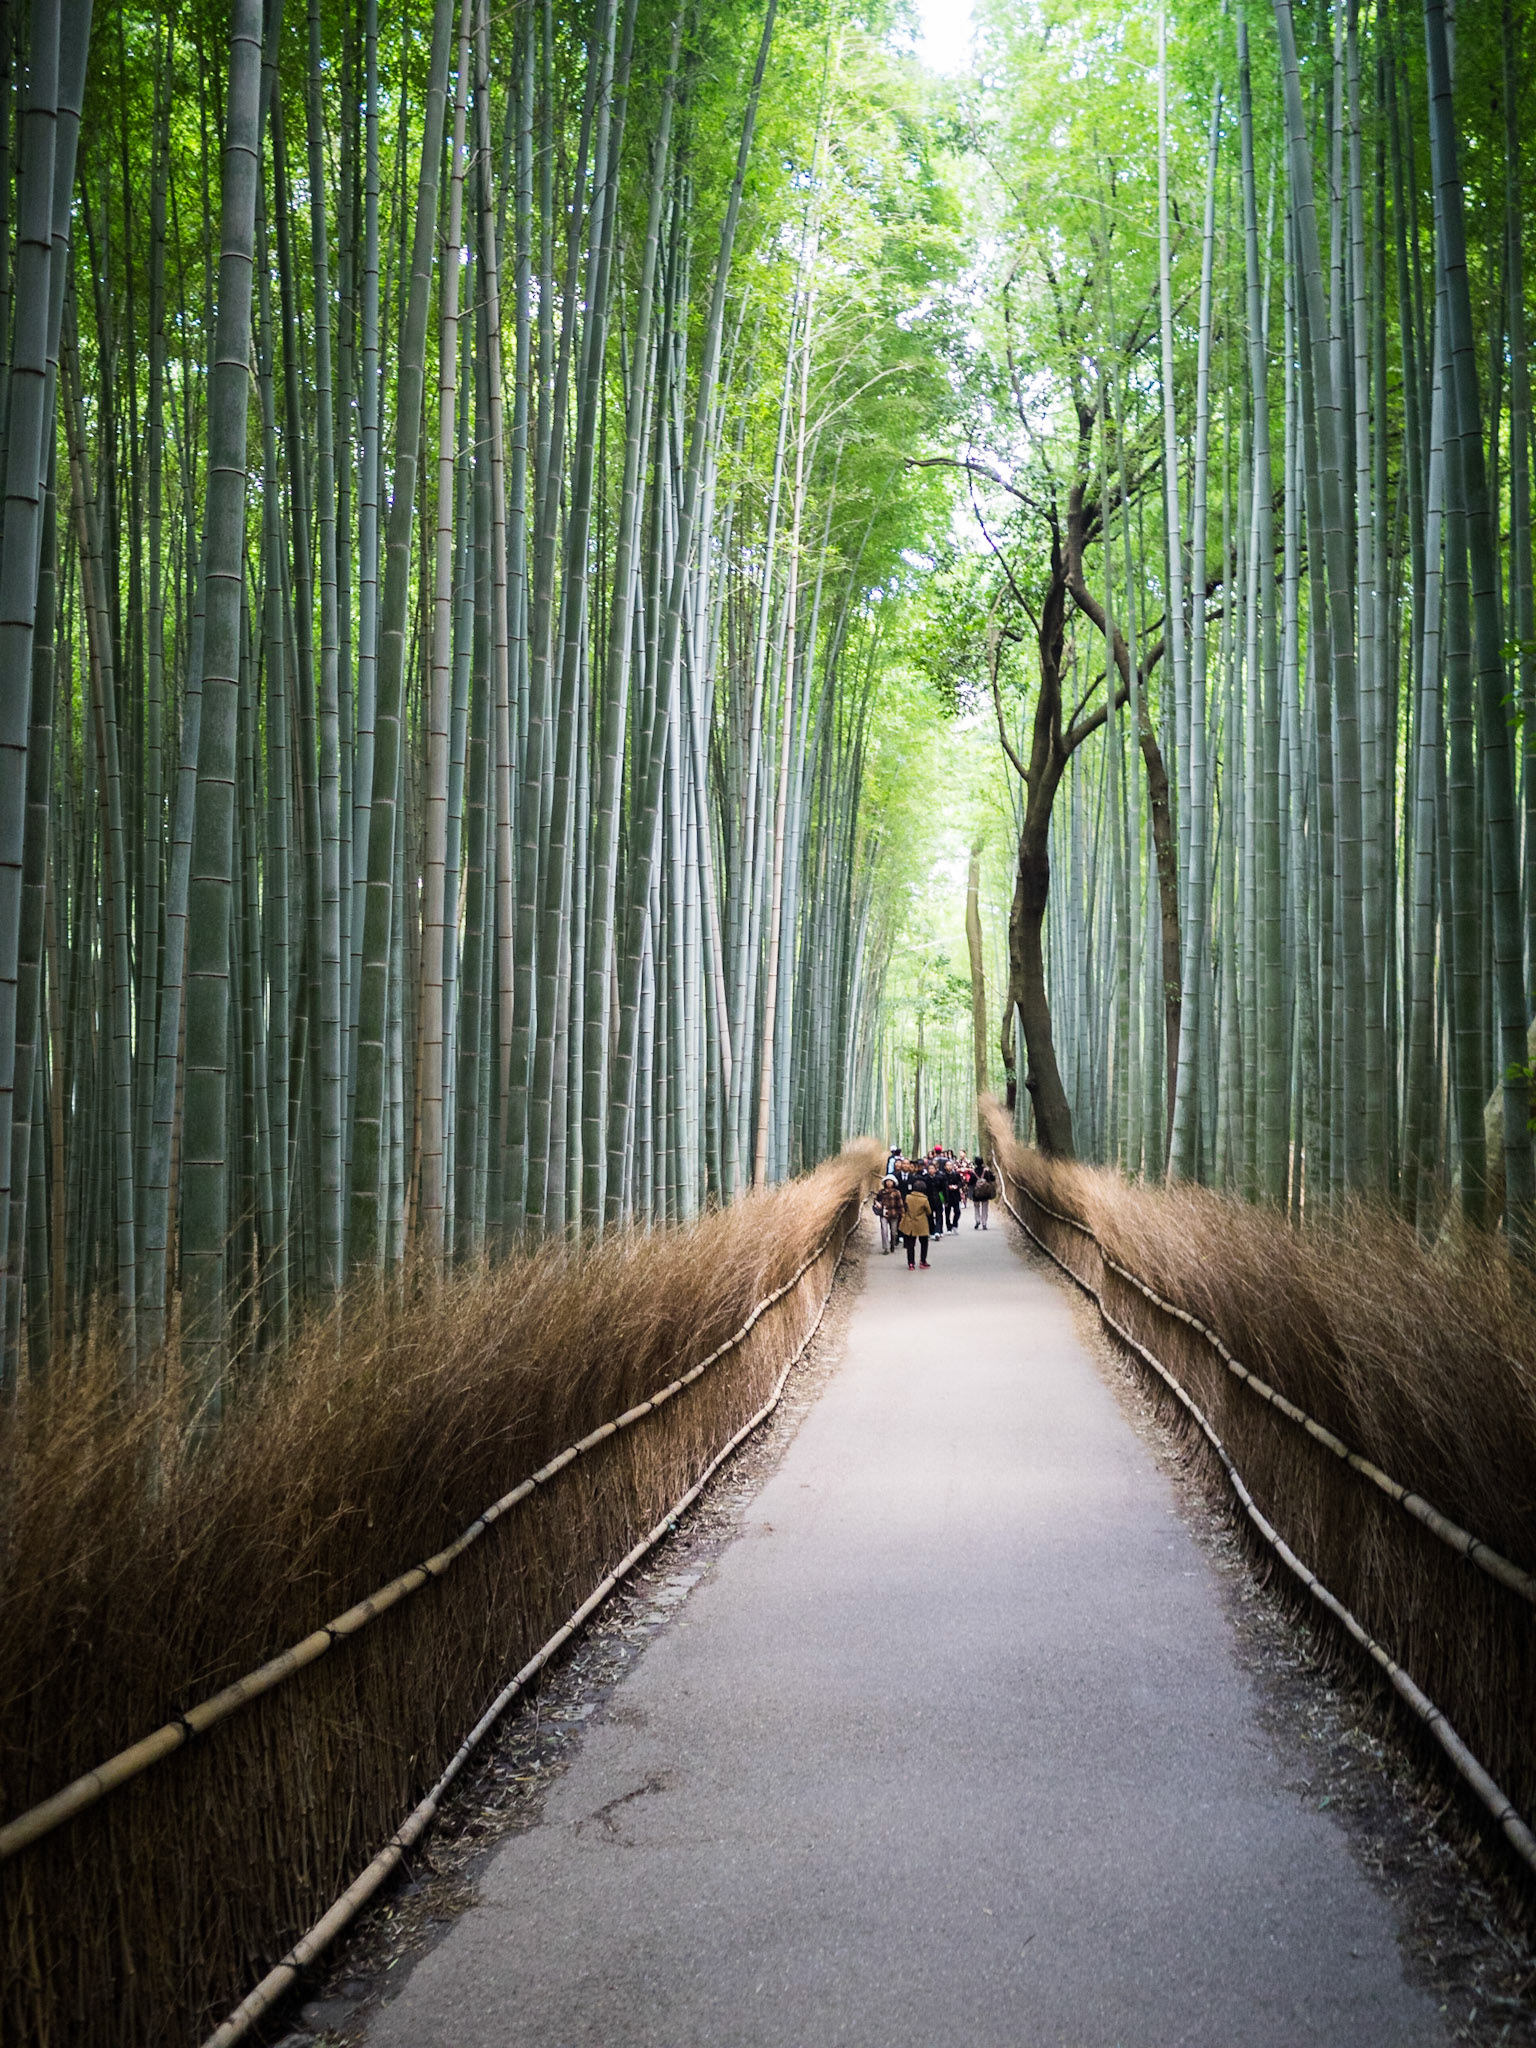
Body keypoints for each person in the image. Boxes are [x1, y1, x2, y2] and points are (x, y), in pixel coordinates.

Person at [899, 1177, 932, 1269]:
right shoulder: (924, 1199)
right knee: (924, 1243)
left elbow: (905, 1208)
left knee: (910, 1244)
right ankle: (923, 1261)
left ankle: (911, 1263)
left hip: (909, 1222)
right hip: (921, 1223)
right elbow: (929, 1211)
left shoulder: (908, 1197)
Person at [873, 1175, 903, 1255]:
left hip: (894, 1214)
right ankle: (886, 1248)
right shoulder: (881, 1192)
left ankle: (892, 1244)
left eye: (890, 1181)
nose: (889, 1183)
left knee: (893, 1232)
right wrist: (877, 1203)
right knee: (884, 1231)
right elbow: (876, 1199)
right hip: (884, 1214)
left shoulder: (896, 1192)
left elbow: (900, 1205)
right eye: (887, 1181)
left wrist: (902, 1215)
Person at [972, 1162, 996, 1230]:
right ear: (982, 1162)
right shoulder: (986, 1171)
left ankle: (977, 1220)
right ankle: (984, 1223)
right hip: (985, 1193)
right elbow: (993, 1178)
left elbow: (970, 1182)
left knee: (976, 1207)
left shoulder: (973, 1172)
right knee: (985, 1208)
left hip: (976, 1193)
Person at [943, 1157, 963, 1231]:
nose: (949, 1167)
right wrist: (947, 1187)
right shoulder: (943, 1175)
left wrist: (957, 1186)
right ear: (945, 1167)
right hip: (947, 1196)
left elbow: (960, 1183)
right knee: (947, 1213)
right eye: (947, 1165)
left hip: (955, 1196)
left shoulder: (956, 1174)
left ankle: (955, 1224)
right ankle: (949, 1227)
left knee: (957, 1212)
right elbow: (942, 1186)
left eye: (950, 1165)